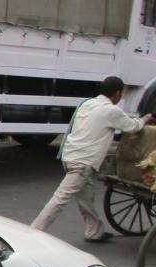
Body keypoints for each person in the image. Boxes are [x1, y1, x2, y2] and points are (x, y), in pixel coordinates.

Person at [32, 76, 151, 241]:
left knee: (85, 198)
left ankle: (94, 231)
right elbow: (133, 127)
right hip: (83, 162)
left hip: (70, 156)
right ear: (117, 93)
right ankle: (33, 231)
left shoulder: (87, 104)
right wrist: (146, 118)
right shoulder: (111, 111)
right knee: (60, 199)